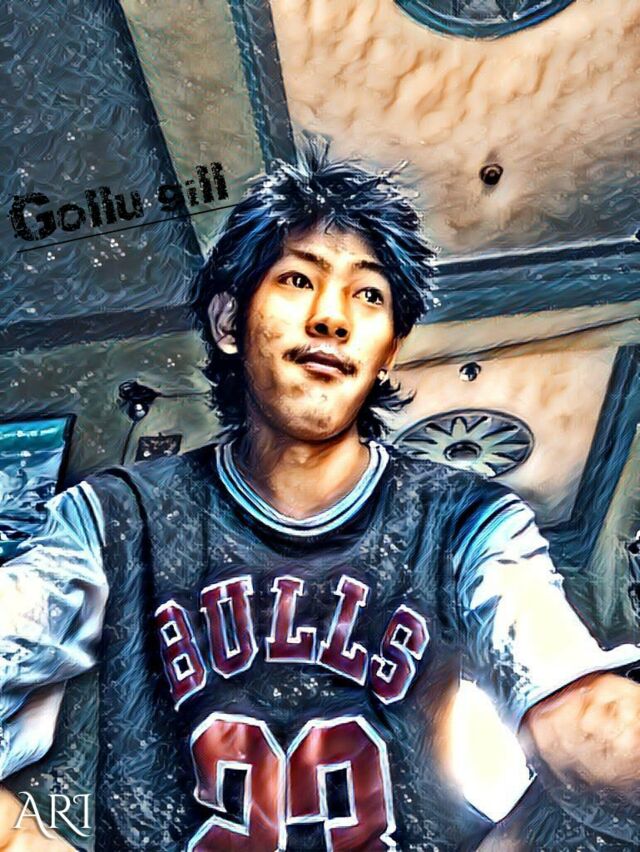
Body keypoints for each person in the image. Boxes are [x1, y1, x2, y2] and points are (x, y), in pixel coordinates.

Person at [1, 140, 640, 852]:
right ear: (228, 323)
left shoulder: (465, 521)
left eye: (369, 294)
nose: (333, 317)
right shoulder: (114, 519)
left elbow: (571, 717)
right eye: (298, 279)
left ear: (388, 350)